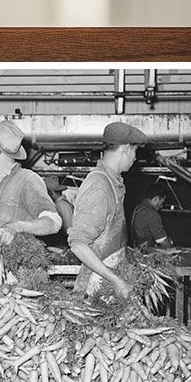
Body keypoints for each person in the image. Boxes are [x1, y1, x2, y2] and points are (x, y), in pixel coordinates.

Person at [67, 121, 150, 297]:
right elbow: (78, 245)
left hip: (107, 287)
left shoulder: (113, 183)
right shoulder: (99, 185)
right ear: (126, 149)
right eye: (135, 151)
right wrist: (117, 281)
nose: (135, 158)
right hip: (94, 291)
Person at [131, 180, 174, 249]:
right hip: (146, 254)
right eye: (161, 202)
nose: (161, 206)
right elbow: (164, 243)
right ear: (156, 199)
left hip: (136, 250)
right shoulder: (152, 214)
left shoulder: (139, 208)